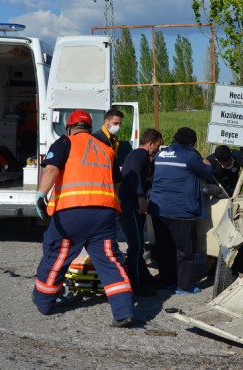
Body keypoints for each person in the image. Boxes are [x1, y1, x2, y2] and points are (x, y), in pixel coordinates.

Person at [33, 109, 134, 328]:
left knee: (58, 255)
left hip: (71, 211)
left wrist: (41, 194)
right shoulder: (106, 148)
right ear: (90, 127)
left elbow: (51, 169)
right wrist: (113, 202)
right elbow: (117, 181)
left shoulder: (64, 142)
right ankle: (124, 310)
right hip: (104, 213)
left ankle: (44, 301)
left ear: (69, 127)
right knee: (109, 259)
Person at [148, 127, 216, 294]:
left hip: (159, 209)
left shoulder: (162, 154)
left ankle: (167, 281)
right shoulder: (191, 155)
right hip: (182, 210)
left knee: (165, 248)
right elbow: (208, 174)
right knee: (185, 251)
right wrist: (207, 164)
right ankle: (183, 286)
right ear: (192, 143)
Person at [118, 128, 163, 295]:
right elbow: (135, 176)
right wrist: (141, 197)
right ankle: (136, 285)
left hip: (129, 205)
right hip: (130, 206)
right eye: (157, 146)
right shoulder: (140, 155)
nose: (157, 150)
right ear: (150, 144)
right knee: (136, 245)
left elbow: (143, 178)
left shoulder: (139, 156)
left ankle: (143, 277)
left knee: (137, 245)